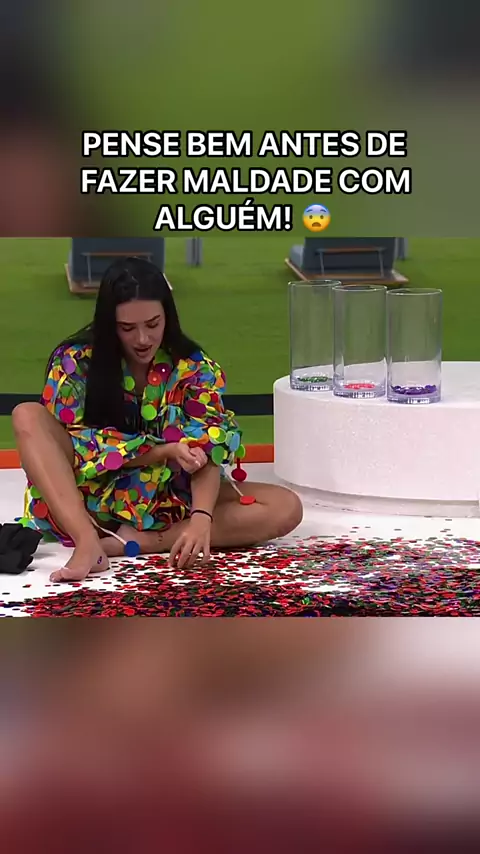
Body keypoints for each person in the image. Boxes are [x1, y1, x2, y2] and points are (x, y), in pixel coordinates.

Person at [12, 257, 302, 583]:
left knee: (285, 506)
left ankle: (146, 541)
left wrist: (201, 518)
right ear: (109, 324)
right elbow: (78, 444)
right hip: (89, 499)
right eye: (127, 328)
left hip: (168, 500)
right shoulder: (75, 360)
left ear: (168, 316)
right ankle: (87, 541)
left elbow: (210, 443)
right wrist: (162, 451)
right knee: (27, 415)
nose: (142, 339)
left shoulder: (194, 367)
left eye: (153, 324)